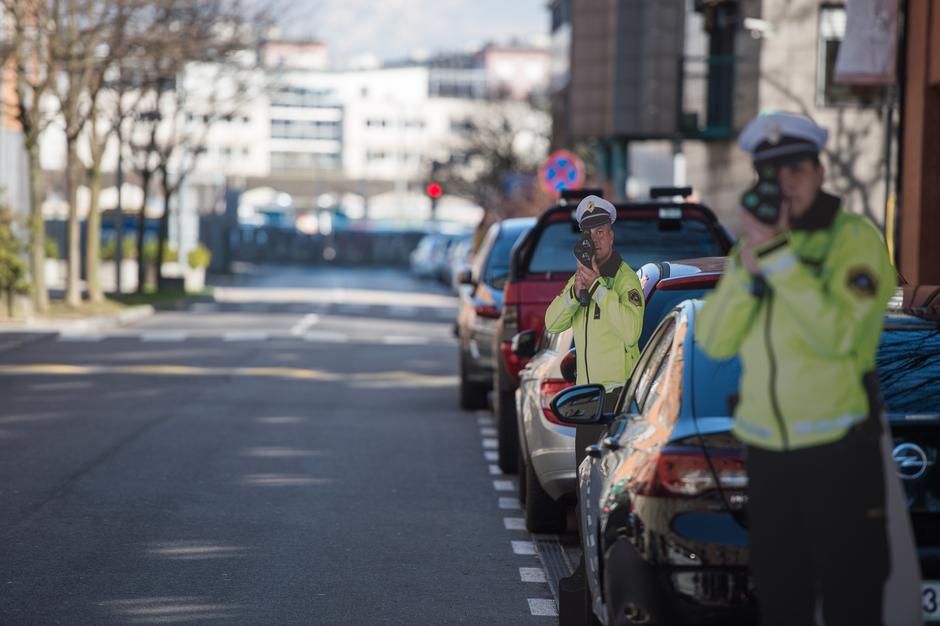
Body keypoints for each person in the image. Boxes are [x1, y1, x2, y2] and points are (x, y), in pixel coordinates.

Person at [698, 111, 921, 626]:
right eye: (770, 174)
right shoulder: (760, 246)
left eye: (795, 170)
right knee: (781, 599)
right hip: (769, 455)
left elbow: (842, 337)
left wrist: (778, 262)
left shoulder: (854, 241)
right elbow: (713, 338)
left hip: (837, 453)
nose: (784, 185)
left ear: (820, 173)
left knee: (850, 597)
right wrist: (748, 272)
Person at [544, 194, 645, 389]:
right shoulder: (579, 278)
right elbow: (552, 324)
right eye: (589, 234)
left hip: (618, 396)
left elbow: (631, 333)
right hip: (587, 394)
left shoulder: (625, 278)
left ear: (611, 236)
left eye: (600, 232)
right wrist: (574, 294)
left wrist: (598, 288)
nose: (595, 239)